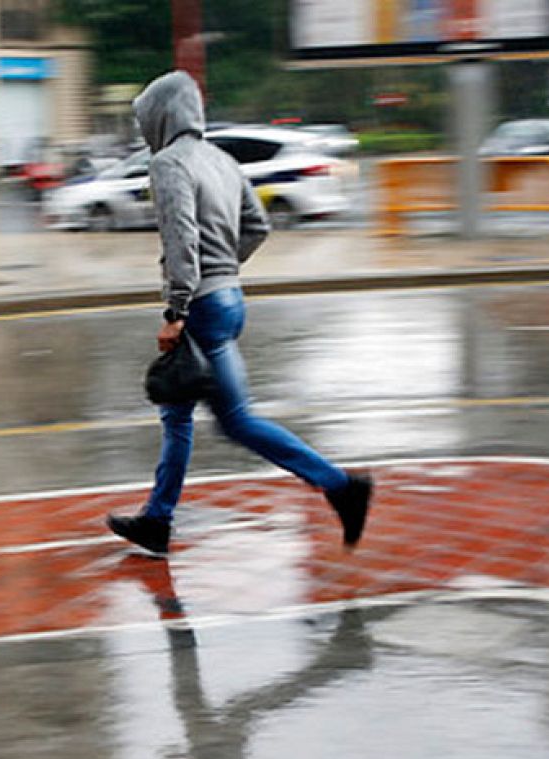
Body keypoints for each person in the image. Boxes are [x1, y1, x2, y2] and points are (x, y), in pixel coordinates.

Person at [108, 71, 372, 557]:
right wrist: (226, 267)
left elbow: (181, 238)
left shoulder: (168, 164)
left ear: (162, 115)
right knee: (191, 416)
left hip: (201, 306)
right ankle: (158, 520)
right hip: (229, 299)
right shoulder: (223, 161)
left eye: (146, 119)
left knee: (231, 420)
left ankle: (341, 486)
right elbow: (257, 225)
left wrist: (177, 307)